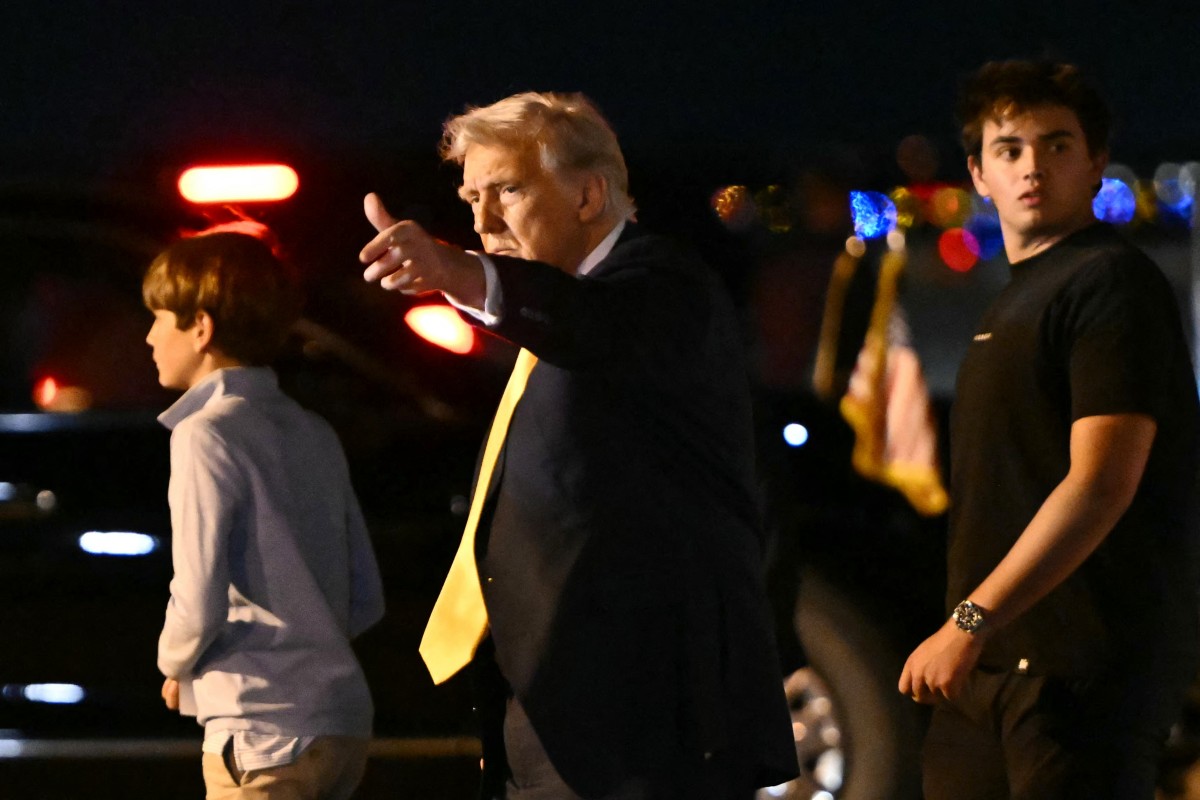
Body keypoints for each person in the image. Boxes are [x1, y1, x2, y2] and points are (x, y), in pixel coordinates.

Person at [359, 92, 797, 799]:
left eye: (507, 190)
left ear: (589, 195)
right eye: (471, 197)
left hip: (646, 726)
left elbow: (589, 324)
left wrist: (458, 272)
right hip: (557, 718)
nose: (482, 222)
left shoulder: (662, 287)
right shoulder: (550, 317)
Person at [899, 60, 1200, 799]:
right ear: (979, 174)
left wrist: (967, 621)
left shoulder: (1109, 282)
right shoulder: (1015, 299)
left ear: (1097, 163)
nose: (1032, 166)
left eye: (1057, 145)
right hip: (988, 670)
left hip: (1076, 675)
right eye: (1009, 149)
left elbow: (1100, 484)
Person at [145, 229, 386, 800]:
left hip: (259, 735)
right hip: (341, 727)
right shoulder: (313, 430)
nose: (150, 336)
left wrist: (174, 664)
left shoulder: (204, 435)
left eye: (158, 318)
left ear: (200, 328)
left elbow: (197, 598)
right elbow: (365, 596)